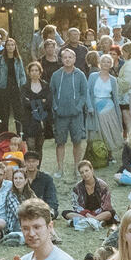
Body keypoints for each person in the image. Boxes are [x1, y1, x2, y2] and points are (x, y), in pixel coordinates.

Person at [50, 48, 90, 178]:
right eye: (65, 57)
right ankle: (60, 169)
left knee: (77, 142)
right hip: (60, 115)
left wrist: (78, 107)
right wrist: (55, 107)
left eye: (70, 57)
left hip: (76, 115)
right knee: (60, 142)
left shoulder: (80, 74)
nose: (67, 59)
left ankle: (77, 168)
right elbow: (52, 93)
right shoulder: (56, 75)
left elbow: (84, 93)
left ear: (74, 59)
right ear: (61, 59)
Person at [69, 159, 116, 228]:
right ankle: (96, 222)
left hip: (99, 212)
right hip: (84, 214)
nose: (85, 174)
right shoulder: (77, 187)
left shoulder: (102, 185)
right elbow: (75, 205)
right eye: (82, 172)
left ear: (92, 170)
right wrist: (86, 213)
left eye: (86, 171)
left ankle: (89, 221)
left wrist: (94, 215)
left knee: (111, 212)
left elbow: (106, 205)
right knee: (66, 213)